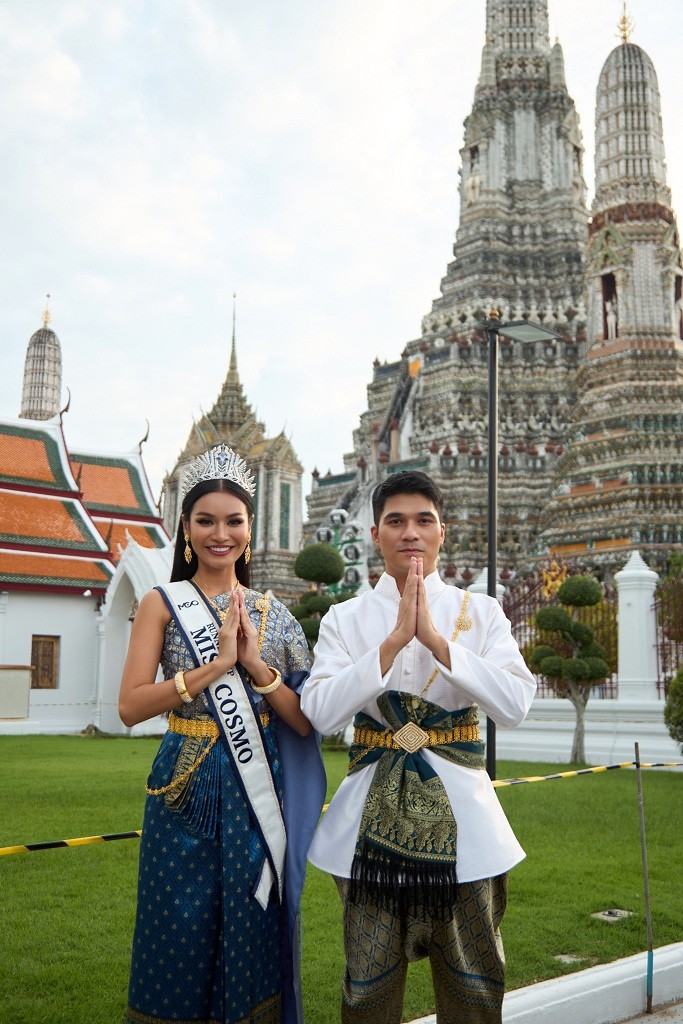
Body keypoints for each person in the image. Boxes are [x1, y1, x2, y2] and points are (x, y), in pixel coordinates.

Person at [300, 471, 536, 1024]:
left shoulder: (480, 614)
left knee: (474, 991)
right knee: (366, 994)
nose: (411, 533)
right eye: (396, 521)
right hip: (366, 835)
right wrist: (390, 646)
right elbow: (320, 714)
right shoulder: (345, 619)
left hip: (469, 833)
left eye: (423, 520)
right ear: (376, 533)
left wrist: (435, 641)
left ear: (442, 533)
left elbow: (516, 704)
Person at [119, 444, 325, 1024]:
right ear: (185, 528)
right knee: (176, 924)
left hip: (256, 791)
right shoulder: (162, 604)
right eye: (205, 520)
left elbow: (305, 720)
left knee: (250, 921)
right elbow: (130, 706)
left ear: (249, 529)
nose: (220, 533)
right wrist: (211, 671)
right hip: (183, 784)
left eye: (233, 521)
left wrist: (256, 668)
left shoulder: (274, 614)